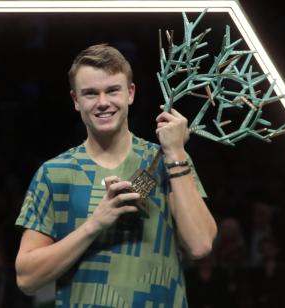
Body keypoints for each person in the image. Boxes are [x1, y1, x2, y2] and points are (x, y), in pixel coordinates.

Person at [14, 43, 217, 306]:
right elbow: (26, 278)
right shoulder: (55, 174)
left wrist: (176, 151)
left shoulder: (169, 160)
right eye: (90, 93)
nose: (103, 102)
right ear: (75, 100)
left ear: (130, 93)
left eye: (112, 90)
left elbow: (200, 245)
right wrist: (94, 225)